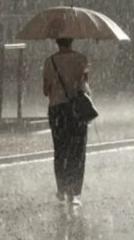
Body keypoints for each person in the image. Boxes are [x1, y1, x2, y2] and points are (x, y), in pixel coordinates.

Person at [43, 37, 91, 206]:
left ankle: (61, 189)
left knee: (60, 149)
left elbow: (45, 90)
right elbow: (84, 86)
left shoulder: (49, 62)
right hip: (76, 111)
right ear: (72, 41)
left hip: (56, 110)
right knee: (77, 151)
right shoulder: (81, 59)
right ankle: (73, 192)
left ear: (57, 42)